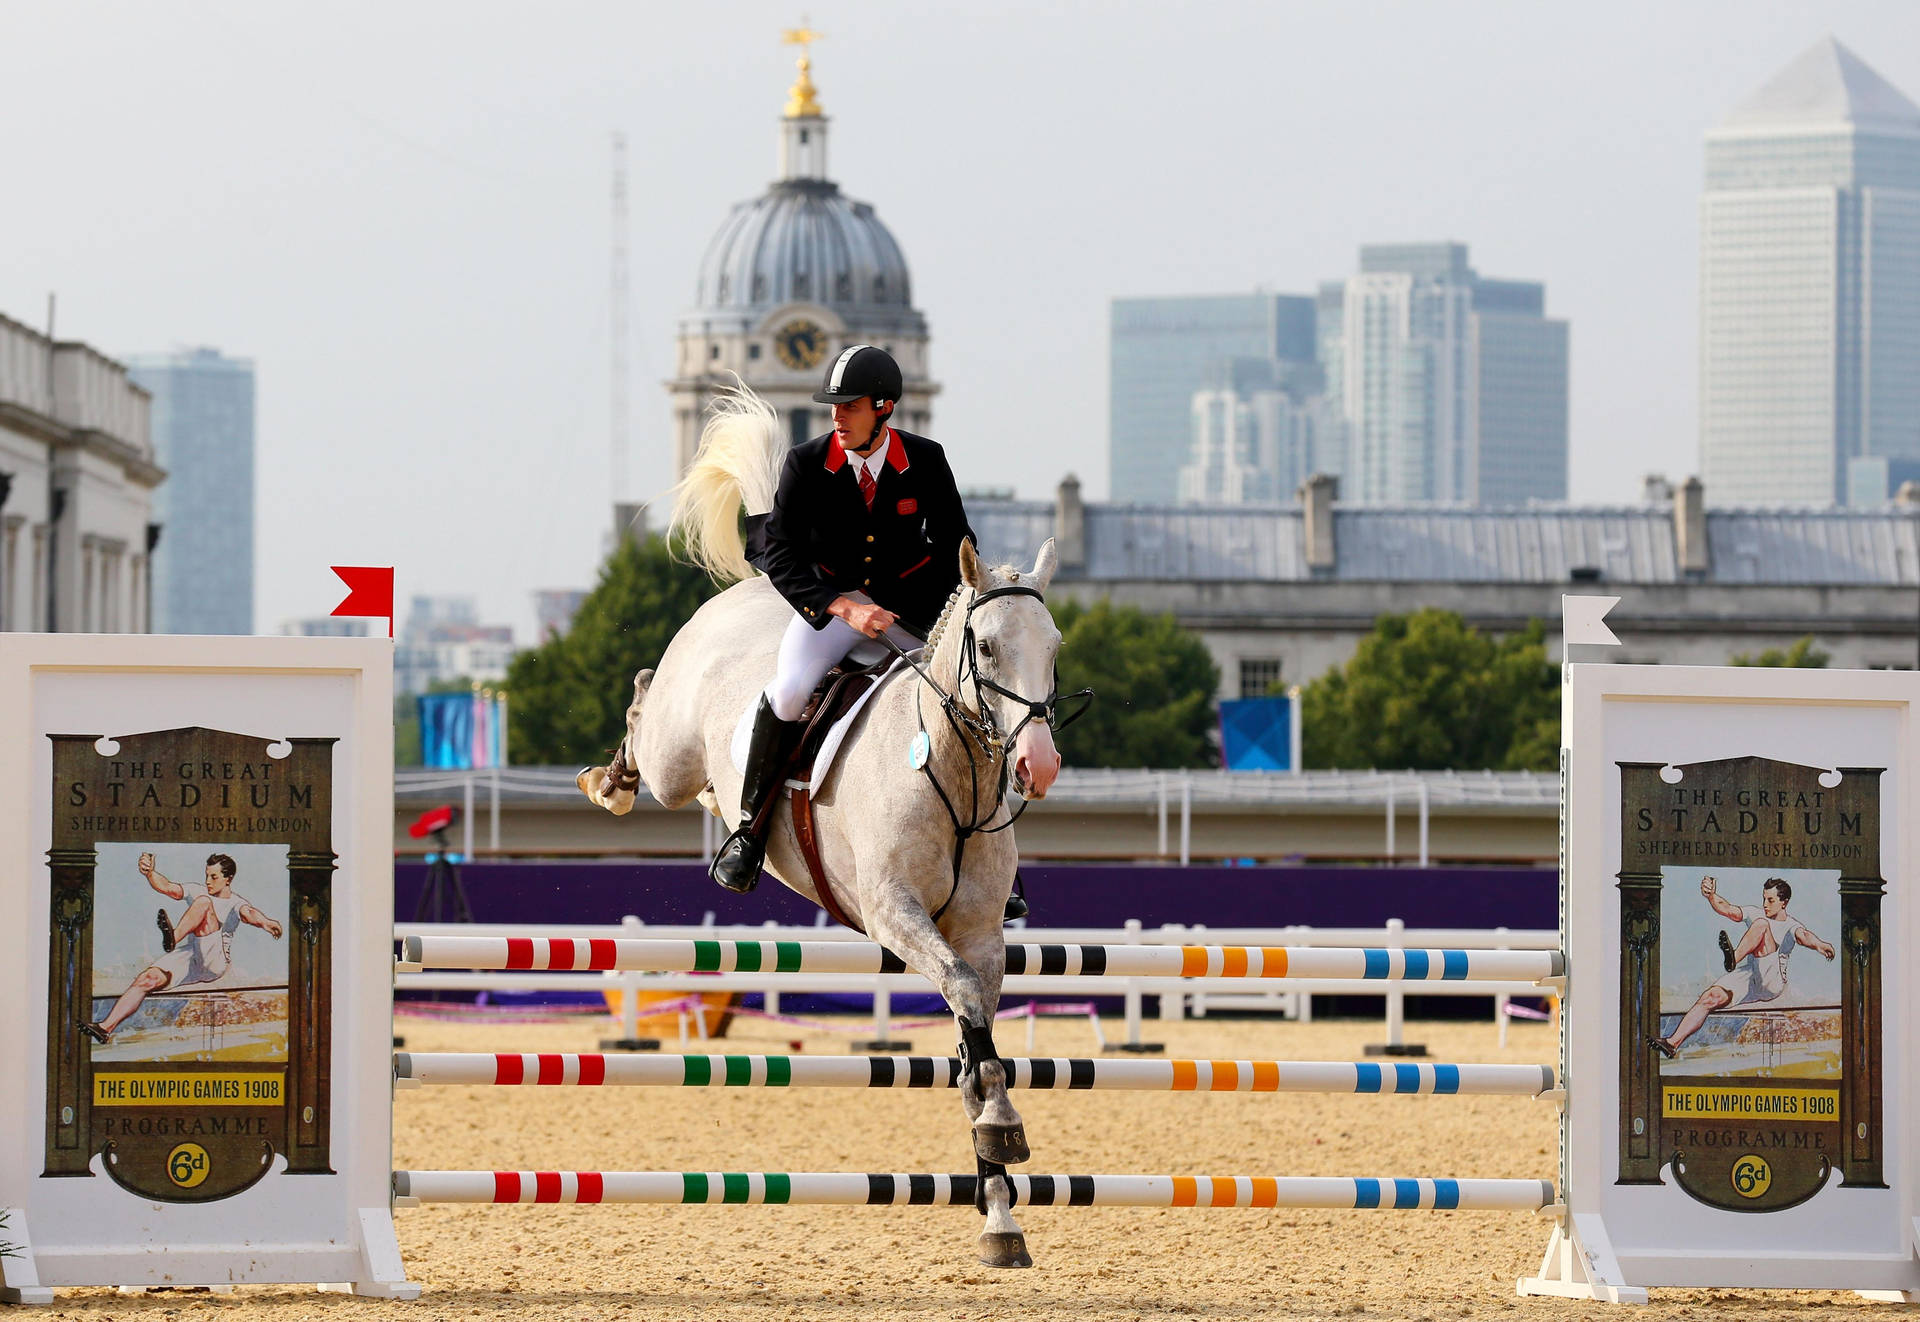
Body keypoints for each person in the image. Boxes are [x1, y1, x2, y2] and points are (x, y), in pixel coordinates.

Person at [711, 344, 978, 897]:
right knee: (788, 693)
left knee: (965, 696)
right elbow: (780, 554)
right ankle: (748, 834)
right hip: (832, 604)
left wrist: (952, 613)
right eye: (833, 406)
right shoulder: (807, 464)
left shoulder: (925, 460)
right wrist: (844, 605)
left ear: (884, 409)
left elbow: (958, 546)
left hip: (907, 609)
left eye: (849, 406)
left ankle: (991, 856)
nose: (836, 417)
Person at [82, 852, 284, 1044]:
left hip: (215, 960)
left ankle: (174, 937)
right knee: (147, 979)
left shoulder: (235, 902)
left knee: (203, 903)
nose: (208, 881)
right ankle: (105, 1028)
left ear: (228, 879)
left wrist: (266, 922)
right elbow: (168, 887)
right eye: (207, 876)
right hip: (190, 956)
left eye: (214, 877)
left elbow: (250, 914)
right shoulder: (198, 890)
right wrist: (150, 873)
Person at [1649, 874, 1834, 1058]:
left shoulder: (1791, 925)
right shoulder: (1756, 912)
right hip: (1750, 976)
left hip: (1772, 980)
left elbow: (1805, 936)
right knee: (1710, 997)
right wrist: (1711, 895)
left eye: (1770, 900)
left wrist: (1821, 945)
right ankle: (1672, 1043)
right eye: (1764, 899)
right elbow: (1727, 909)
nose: (1765, 904)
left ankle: (1734, 958)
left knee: (1761, 925)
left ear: (1784, 902)